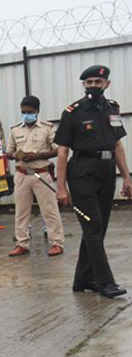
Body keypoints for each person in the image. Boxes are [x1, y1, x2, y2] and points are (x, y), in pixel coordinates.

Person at [54, 65, 132, 298]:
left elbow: (118, 145)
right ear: (84, 85)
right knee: (94, 227)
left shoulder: (113, 109)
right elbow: (62, 152)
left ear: (106, 84)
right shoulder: (73, 112)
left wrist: (127, 176)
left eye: (97, 83)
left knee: (99, 228)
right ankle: (105, 282)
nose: (93, 87)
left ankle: (83, 279)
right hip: (82, 172)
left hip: (107, 171)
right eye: (88, 83)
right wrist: (61, 187)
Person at [6, 95, 64, 257]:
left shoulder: (47, 128)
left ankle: (56, 243)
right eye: (23, 112)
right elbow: (8, 152)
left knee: (49, 210)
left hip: (41, 174)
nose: (26, 115)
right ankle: (22, 243)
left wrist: (37, 156)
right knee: (21, 211)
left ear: (37, 111)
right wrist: (16, 156)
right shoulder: (15, 130)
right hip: (22, 174)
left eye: (29, 112)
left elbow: (58, 149)